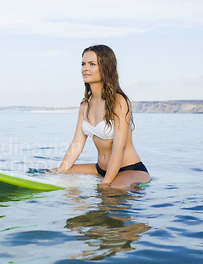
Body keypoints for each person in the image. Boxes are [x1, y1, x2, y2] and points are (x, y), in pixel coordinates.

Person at [54, 45, 150, 188]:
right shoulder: (85, 105)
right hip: (100, 169)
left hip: (129, 169)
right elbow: (77, 144)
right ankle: (74, 209)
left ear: (106, 68)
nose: (85, 68)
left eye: (92, 64)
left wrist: (105, 184)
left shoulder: (119, 102)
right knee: (57, 171)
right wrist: (59, 172)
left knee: (110, 190)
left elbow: (119, 148)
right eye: (83, 64)